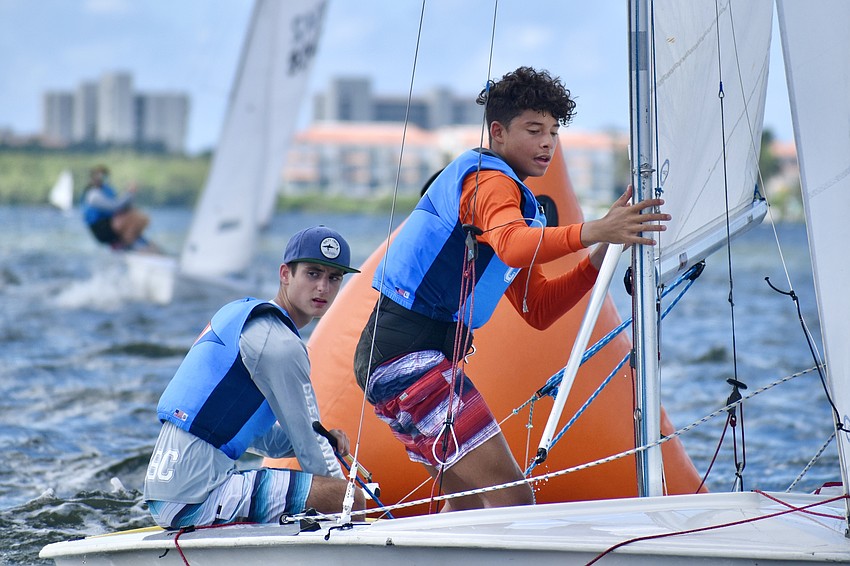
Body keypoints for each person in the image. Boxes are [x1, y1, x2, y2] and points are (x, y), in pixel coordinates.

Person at [353, 66, 670, 512]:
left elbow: (538, 308)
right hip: (408, 358)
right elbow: (514, 246)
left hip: (394, 362)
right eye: (534, 129)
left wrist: (605, 245)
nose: (547, 143)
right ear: (498, 132)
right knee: (513, 497)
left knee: (465, 505)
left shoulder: (517, 208)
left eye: (555, 133)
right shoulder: (488, 182)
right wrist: (595, 226)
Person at [144, 226, 366, 528]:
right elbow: (313, 453)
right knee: (345, 496)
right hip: (197, 498)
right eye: (313, 274)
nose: (323, 288)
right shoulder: (282, 345)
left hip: (164, 497)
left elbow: (262, 438)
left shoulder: (241, 315)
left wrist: (323, 436)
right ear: (285, 274)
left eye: (334, 278)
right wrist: (348, 500)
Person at [81, 165, 153, 251]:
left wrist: (130, 195)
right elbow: (115, 206)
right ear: (93, 178)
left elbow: (124, 205)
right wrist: (129, 192)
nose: (101, 179)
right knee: (134, 218)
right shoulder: (93, 195)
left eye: (104, 176)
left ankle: (134, 241)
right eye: (98, 176)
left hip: (110, 224)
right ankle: (128, 243)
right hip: (101, 229)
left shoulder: (106, 190)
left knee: (138, 215)